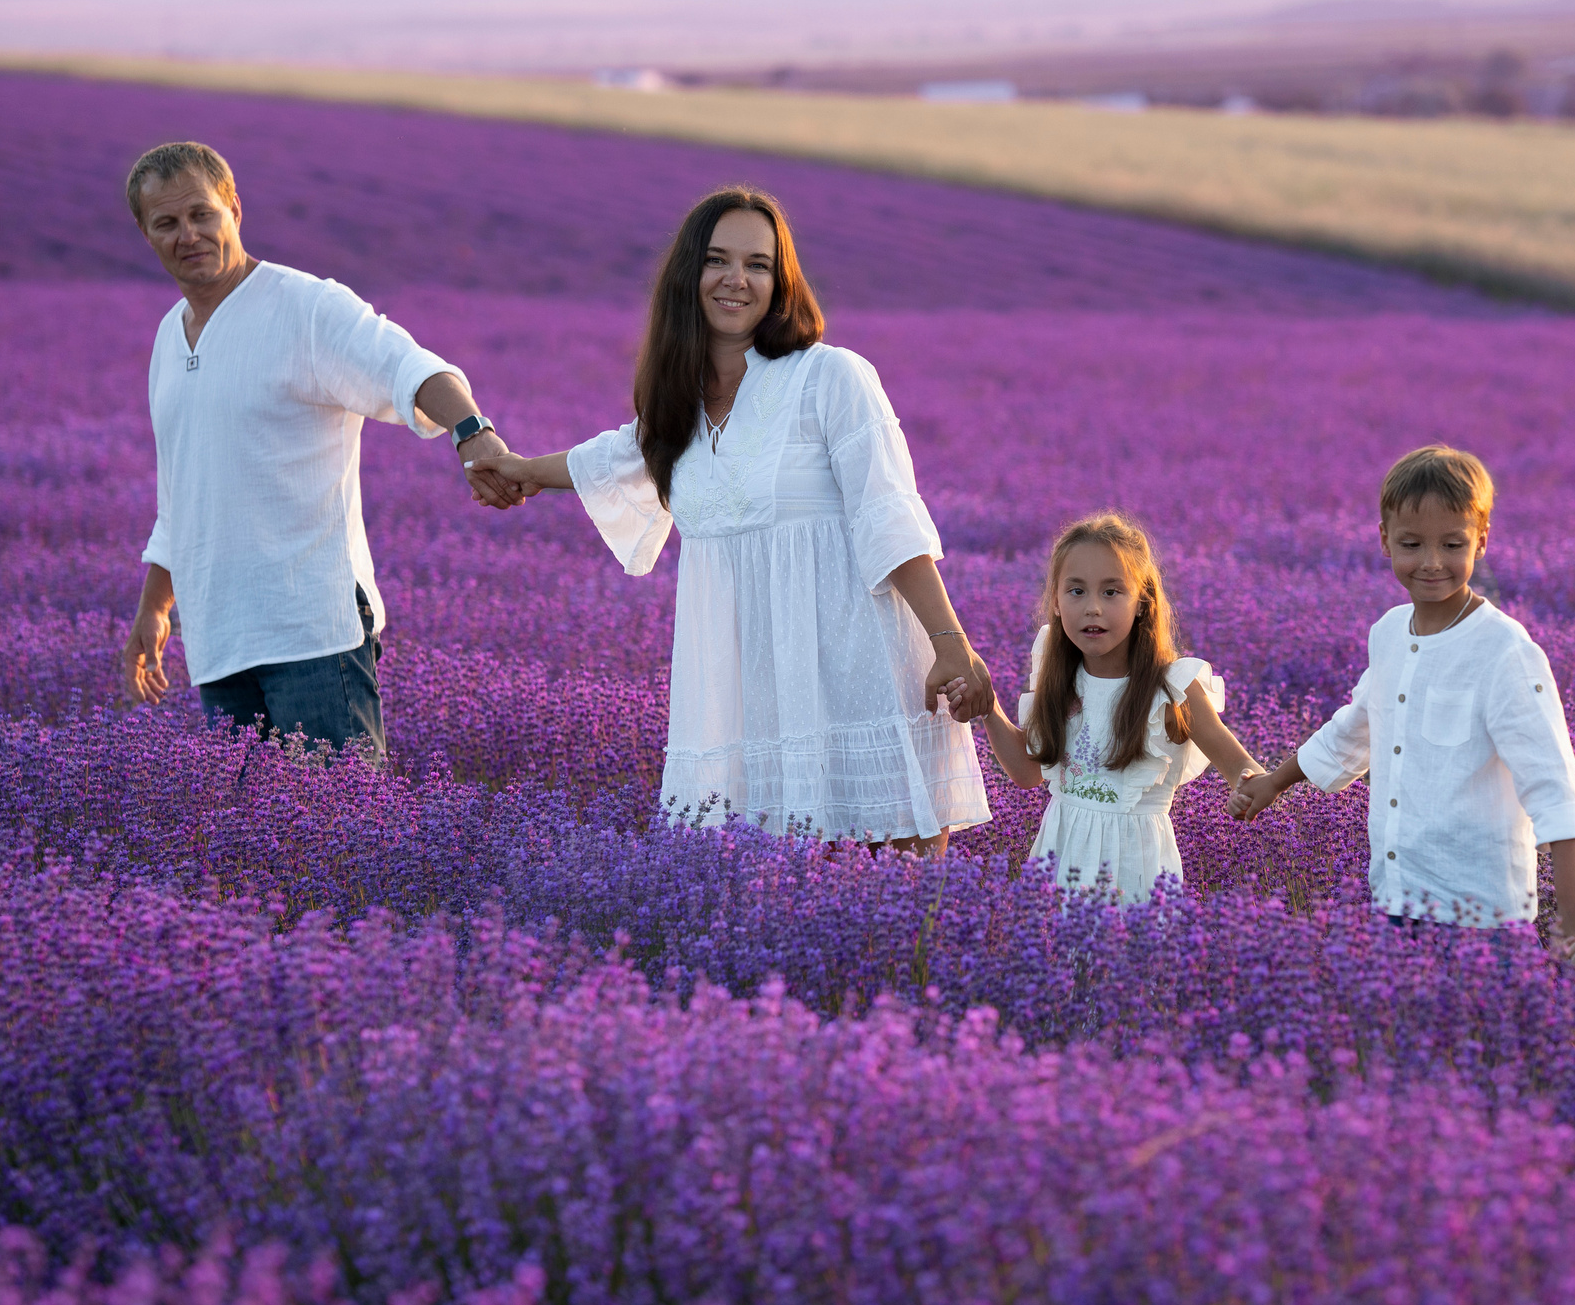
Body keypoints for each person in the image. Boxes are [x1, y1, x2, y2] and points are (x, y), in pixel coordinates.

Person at [476, 187, 990, 852]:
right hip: (749, 702)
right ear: (688, 274)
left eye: (758, 264)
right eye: (718, 260)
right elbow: (614, 455)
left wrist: (950, 642)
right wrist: (516, 470)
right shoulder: (678, 407)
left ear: (781, 283)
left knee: (894, 912)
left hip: (863, 677)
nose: (736, 279)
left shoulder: (832, 378)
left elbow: (888, 514)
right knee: (773, 914)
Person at [118, 141, 520, 756]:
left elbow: (409, 366)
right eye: (167, 223)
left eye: (203, 214)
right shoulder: (168, 339)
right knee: (253, 847)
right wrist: (155, 607)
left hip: (312, 630)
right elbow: (181, 491)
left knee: (347, 836)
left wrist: (473, 433)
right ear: (146, 235)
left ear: (234, 209)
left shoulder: (305, 308)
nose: (188, 234)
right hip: (219, 638)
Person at [1232, 445, 1575, 953]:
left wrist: (1572, 898)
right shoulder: (1389, 632)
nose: (1432, 563)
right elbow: (1359, 724)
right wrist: (1274, 783)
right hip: (1397, 891)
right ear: (1385, 541)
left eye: (1452, 545)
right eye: (1412, 544)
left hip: (1479, 909)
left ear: (1481, 542)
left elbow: (1551, 776)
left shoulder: (1504, 651)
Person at [957, 514, 1265, 901]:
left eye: (1111, 592)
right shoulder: (1058, 677)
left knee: (1130, 957)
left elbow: (1241, 767)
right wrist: (989, 710)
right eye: (1076, 591)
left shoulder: (1171, 688)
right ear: (1055, 600)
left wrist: (1248, 787)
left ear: (1142, 602)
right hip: (1060, 855)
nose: (1092, 608)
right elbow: (1027, 771)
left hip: (1136, 866)